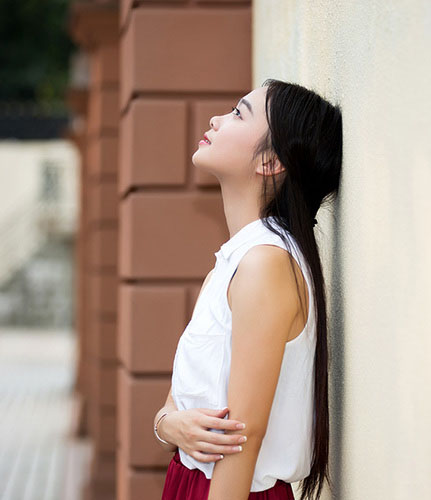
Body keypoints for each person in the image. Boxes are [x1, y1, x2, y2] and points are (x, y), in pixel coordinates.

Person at [154, 79, 342, 500]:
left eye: (239, 113)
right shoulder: (233, 263)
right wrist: (168, 425)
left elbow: (243, 439)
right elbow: (174, 405)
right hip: (192, 481)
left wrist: (172, 424)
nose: (216, 119)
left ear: (271, 162)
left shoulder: (265, 264)